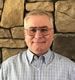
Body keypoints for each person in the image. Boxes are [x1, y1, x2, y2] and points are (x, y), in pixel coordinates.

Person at [0, 10, 75, 80]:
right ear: (25, 34)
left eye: (44, 30)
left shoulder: (70, 69)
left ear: (52, 34)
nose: (38, 36)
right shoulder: (8, 67)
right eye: (32, 30)